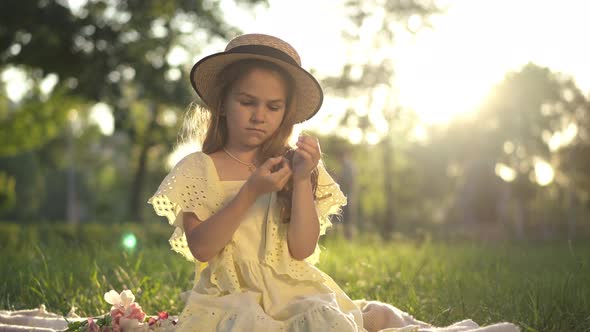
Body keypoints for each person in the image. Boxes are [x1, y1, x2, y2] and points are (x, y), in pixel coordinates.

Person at [148, 34, 519, 332]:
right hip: (232, 296)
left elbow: (301, 248)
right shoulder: (199, 168)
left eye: (273, 107)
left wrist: (303, 179)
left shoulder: (288, 167)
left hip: (292, 289)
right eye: (247, 102)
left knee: (361, 313)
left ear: (286, 116)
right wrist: (250, 192)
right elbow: (202, 247)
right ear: (223, 104)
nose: (260, 116)